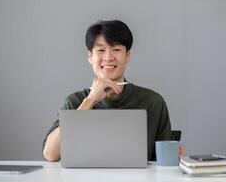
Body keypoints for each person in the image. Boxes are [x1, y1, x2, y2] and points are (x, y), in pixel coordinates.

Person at [42, 20, 178, 162]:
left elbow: (164, 162)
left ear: (127, 56)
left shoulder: (153, 102)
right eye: (100, 50)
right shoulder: (74, 101)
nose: (108, 57)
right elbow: (50, 154)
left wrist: (174, 157)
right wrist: (90, 101)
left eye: (116, 49)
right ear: (90, 57)